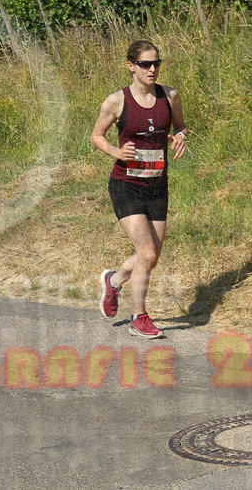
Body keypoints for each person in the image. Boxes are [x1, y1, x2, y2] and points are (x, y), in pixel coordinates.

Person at [92, 40, 188, 339]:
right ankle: (139, 317)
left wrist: (181, 136)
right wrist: (116, 152)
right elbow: (97, 136)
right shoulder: (116, 101)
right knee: (146, 252)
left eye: (157, 63)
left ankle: (115, 281)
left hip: (157, 185)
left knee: (152, 257)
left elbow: (182, 126)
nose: (153, 69)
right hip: (126, 185)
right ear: (131, 66)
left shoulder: (169, 96)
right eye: (146, 64)